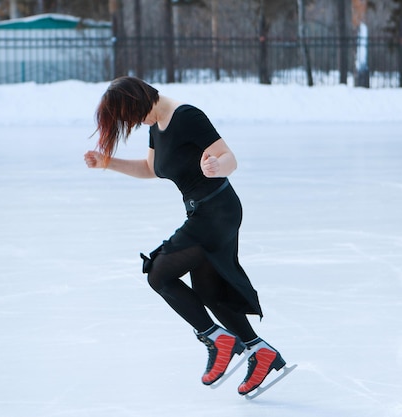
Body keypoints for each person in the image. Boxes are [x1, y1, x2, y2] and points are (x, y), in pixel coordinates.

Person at [84, 76, 285, 396]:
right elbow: (151, 169)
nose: (136, 124)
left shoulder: (187, 116)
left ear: (140, 101)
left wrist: (218, 165)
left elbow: (228, 156)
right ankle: (261, 352)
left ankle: (216, 338)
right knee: (208, 290)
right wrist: (108, 163)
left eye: (133, 116)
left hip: (217, 210)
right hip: (203, 213)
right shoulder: (156, 126)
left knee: (159, 273)